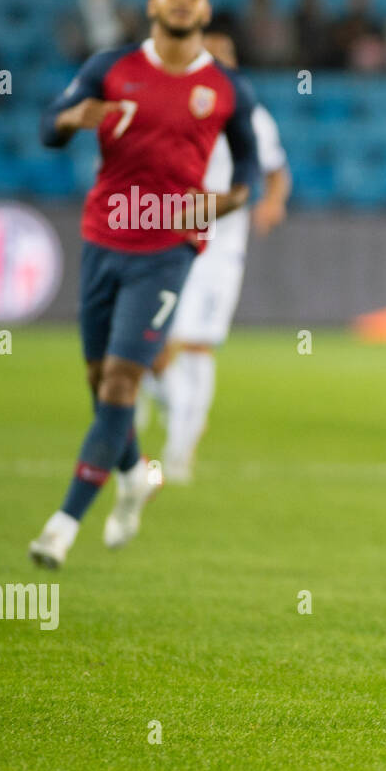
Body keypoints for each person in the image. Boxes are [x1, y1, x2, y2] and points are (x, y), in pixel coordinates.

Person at [29, 0, 259, 568]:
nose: (182, 2)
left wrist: (222, 201)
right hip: (104, 237)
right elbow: (49, 125)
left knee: (123, 383)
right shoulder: (111, 67)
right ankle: (135, 475)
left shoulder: (228, 89)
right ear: (153, 4)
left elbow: (250, 174)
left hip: (169, 248)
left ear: (207, 12)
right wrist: (70, 119)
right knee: (99, 383)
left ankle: (63, 523)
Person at [142, 30, 290, 483]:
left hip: (219, 251)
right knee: (149, 346)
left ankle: (180, 451)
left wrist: (274, 202)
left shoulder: (253, 117)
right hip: (167, 241)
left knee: (197, 343)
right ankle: (174, 406)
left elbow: (276, 170)